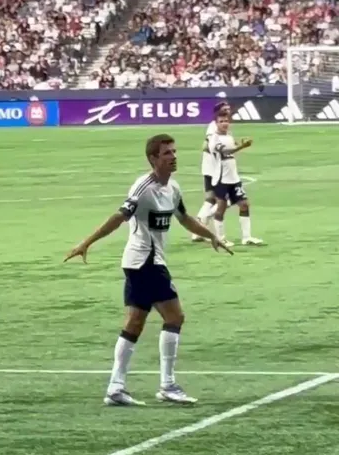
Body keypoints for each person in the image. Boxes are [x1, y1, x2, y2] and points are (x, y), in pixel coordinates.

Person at [65, 133, 233, 406]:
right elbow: (120, 216)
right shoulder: (143, 188)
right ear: (153, 158)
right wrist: (86, 243)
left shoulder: (173, 188)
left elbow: (184, 217)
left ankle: (115, 387)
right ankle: (167, 385)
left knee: (134, 323)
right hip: (145, 262)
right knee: (175, 316)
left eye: (174, 152)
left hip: (140, 263)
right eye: (167, 153)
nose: (173, 157)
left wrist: (211, 235)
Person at [209, 112, 263, 247]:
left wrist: (240, 144)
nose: (224, 123)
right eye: (221, 121)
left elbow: (232, 148)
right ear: (216, 123)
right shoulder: (213, 139)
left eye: (226, 121)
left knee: (244, 205)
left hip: (234, 179)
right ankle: (220, 239)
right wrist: (242, 146)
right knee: (221, 208)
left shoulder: (229, 136)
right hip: (221, 179)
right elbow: (226, 152)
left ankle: (247, 237)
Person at [192, 101, 231, 243]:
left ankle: (197, 231)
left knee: (210, 199)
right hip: (213, 168)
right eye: (225, 109)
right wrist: (220, 151)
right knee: (224, 200)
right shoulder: (213, 126)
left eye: (228, 109)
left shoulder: (222, 125)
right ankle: (201, 222)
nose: (228, 111)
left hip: (214, 167)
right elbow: (205, 146)